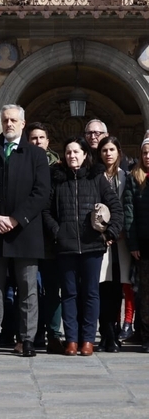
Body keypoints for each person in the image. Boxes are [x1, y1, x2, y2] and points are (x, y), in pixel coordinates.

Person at [0, 104, 50, 358]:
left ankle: (27, 340)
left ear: (23, 124)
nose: (9, 124)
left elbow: (41, 193)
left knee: (27, 289)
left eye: (14, 120)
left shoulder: (36, 155)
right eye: (5, 120)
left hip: (24, 232)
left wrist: (16, 219)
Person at [43, 136, 123, 356]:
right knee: (69, 293)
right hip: (66, 246)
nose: (72, 156)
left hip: (92, 246)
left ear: (85, 154)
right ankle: (71, 340)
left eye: (76, 152)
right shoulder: (58, 180)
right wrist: (57, 231)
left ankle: (87, 340)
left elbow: (116, 207)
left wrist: (110, 233)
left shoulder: (96, 178)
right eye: (68, 152)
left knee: (91, 293)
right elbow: (46, 211)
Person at [27, 121, 64, 354]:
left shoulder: (59, 170)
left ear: (48, 141)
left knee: (51, 288)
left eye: (41, 138)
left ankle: (53, 334)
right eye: (33, 138)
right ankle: (32, 333)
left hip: (51, 237)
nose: (38, 141)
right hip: (27, 234)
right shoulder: (21, 164)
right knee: (29, 288)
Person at [98, 136, 131, 352]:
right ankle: (106, 334)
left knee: (118, 287)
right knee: (103, 287)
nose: (108, 154)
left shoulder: (126, 177)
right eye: (104, 150)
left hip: (122, 242)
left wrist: (120, 229)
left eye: (111, 149)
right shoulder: (95, 177)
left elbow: (129, 206)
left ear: (118, 151)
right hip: (102, 239)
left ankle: (115, 333)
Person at [123, 137, 149, 353]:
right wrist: (133, 244)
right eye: (145, 152)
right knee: (146, 293)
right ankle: (146, 335)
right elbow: (129, 212)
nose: (148, 156)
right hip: (144, 243)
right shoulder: (134, 178)